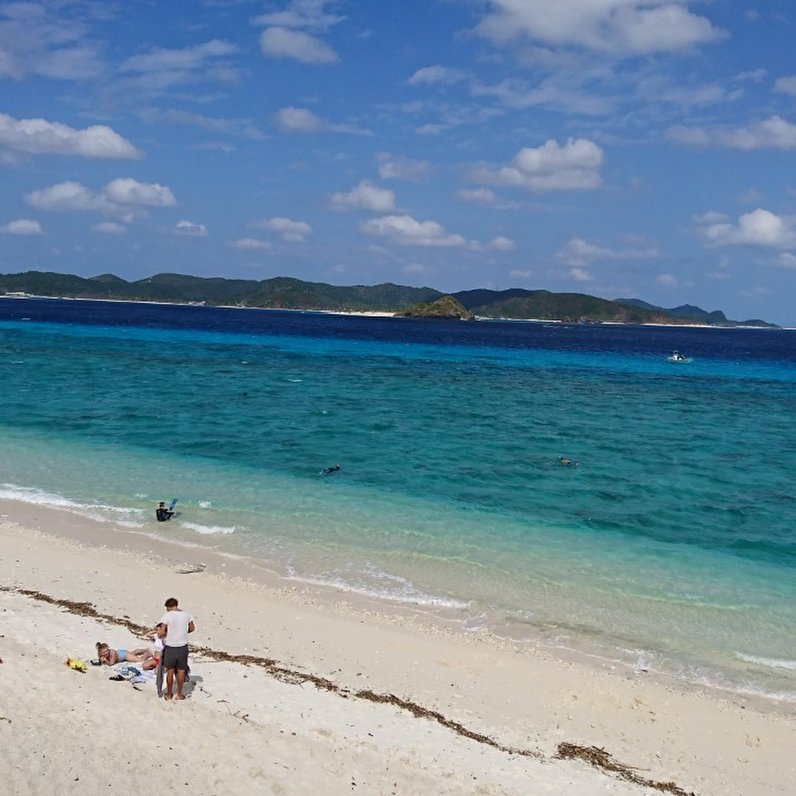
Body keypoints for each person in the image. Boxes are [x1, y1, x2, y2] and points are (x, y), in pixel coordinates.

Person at [158, 597, 195, 701]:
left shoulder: (166, 616)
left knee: (169, 671)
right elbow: (192, 628)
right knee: (181, 671)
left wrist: (164, 634)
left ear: (168, 607)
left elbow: (161, 632)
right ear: (176, 605)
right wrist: (182, 633)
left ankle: (169, 694)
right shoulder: (187, 615)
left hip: (171, 647)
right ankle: (179, 694)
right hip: (182, 647)